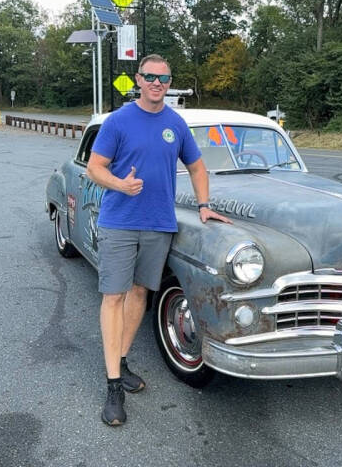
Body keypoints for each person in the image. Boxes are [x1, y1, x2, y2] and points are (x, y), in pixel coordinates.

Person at [86, 54, 231, 426]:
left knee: (139, 294)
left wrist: (204, 205)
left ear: (169, 83)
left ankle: (121, 360)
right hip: (119, 222)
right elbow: (94, 168)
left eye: (163, 79)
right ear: (138, 79)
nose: (157, 83)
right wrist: (121, 184)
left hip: (158, 224)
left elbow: (197, 166)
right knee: (114, 296)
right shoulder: (119, 121)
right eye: (150, 77)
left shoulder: (176, 124)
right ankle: (113, 386)